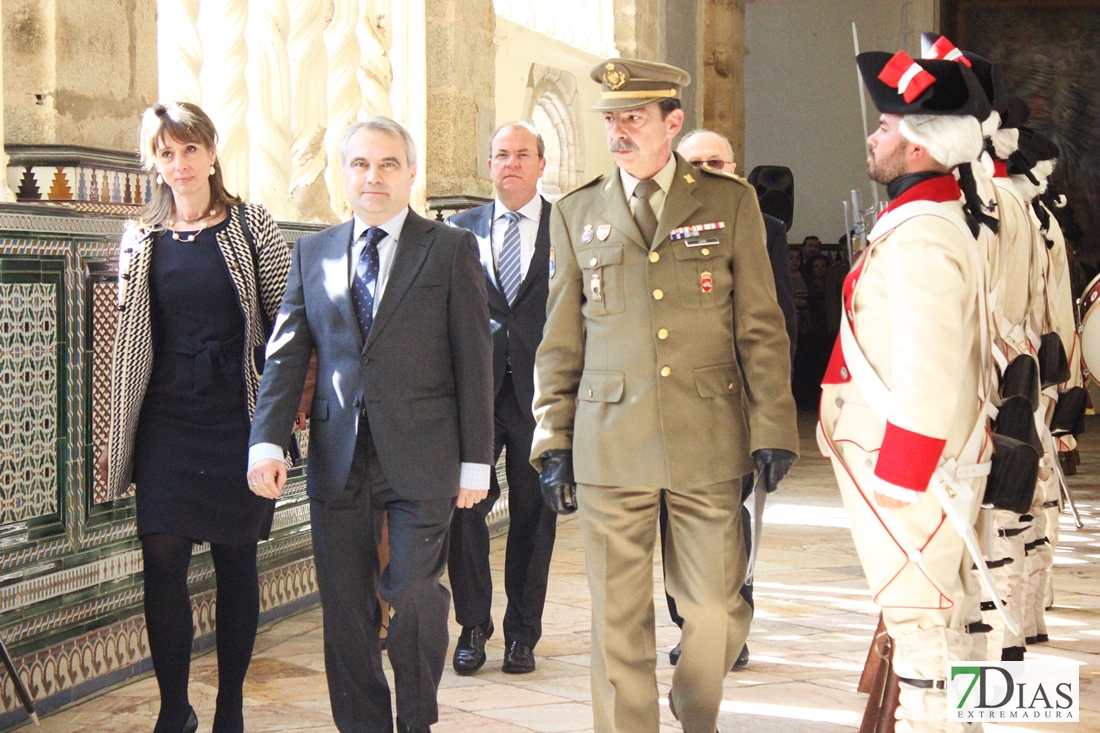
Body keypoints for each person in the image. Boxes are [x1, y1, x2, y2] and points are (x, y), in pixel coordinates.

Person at [531, 58, 799, 733]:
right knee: (616, 617)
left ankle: (694, 705)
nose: (618, 131)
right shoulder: (575, 211)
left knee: (714, 603)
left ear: (671, 123)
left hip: (706, 436)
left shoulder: (728, 202)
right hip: (607, 442)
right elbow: (560, 339)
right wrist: (551, 436)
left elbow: (761, 328)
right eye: (611, 120)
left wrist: (773, 425)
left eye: (634, 118)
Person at [245, 117, 494, 733]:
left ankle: (415, 719)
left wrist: (477, 461)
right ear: (343, 175)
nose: (373, 176)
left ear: (411, 174)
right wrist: (266, 442)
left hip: (424, 454)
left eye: (387, 164)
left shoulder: (450, 247)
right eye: (359, 164)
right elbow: (285, 357)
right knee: (346, 611)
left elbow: (474, 359)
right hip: (339, 455)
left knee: (412, 592)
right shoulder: (314, 251)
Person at [98, 101, 292, 733]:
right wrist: (113, 429)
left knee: (236, 562)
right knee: (162, 557)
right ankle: (173, 708)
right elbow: (127, 335)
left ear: (211, 152)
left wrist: (281, 421)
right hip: (165, 420)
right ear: (154, 163)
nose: (178, 164)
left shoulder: (252, 225)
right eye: (165, 152)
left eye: (188, 150)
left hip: (236, 418)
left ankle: (229, 706)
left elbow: (287, 322)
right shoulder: (141, 235)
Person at [818, 51, 991, 732]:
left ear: (918, 141)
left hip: (911, 470)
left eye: (885, 125)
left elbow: (930, 361)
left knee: (921, 629)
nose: (872, 136)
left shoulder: (921, 234)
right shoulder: (926, 219)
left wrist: (904, 469)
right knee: (949, 613)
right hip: (916, 462)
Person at [659, 128, 798, 669]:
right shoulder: (659, 223)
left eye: (718, 161)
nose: (708, 170)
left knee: (730, 522)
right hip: (670, 406)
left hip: (733, 404)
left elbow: (776, 323)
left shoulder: (766, 228)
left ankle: (728, 628)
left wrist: (772, 416)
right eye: (697, 162)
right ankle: (690, 626)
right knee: (674, 524)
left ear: (737, 168)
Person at [445, 121, 557, 675]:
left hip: (542, 397)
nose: (510, 164)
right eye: (500, 155)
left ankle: (522, 635)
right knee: (464, 509)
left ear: (541, 164)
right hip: (476, 394)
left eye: (522, 155)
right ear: (488, 165)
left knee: (536, 515)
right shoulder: (457, 231)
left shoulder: (568, 228)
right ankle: (473, 625)